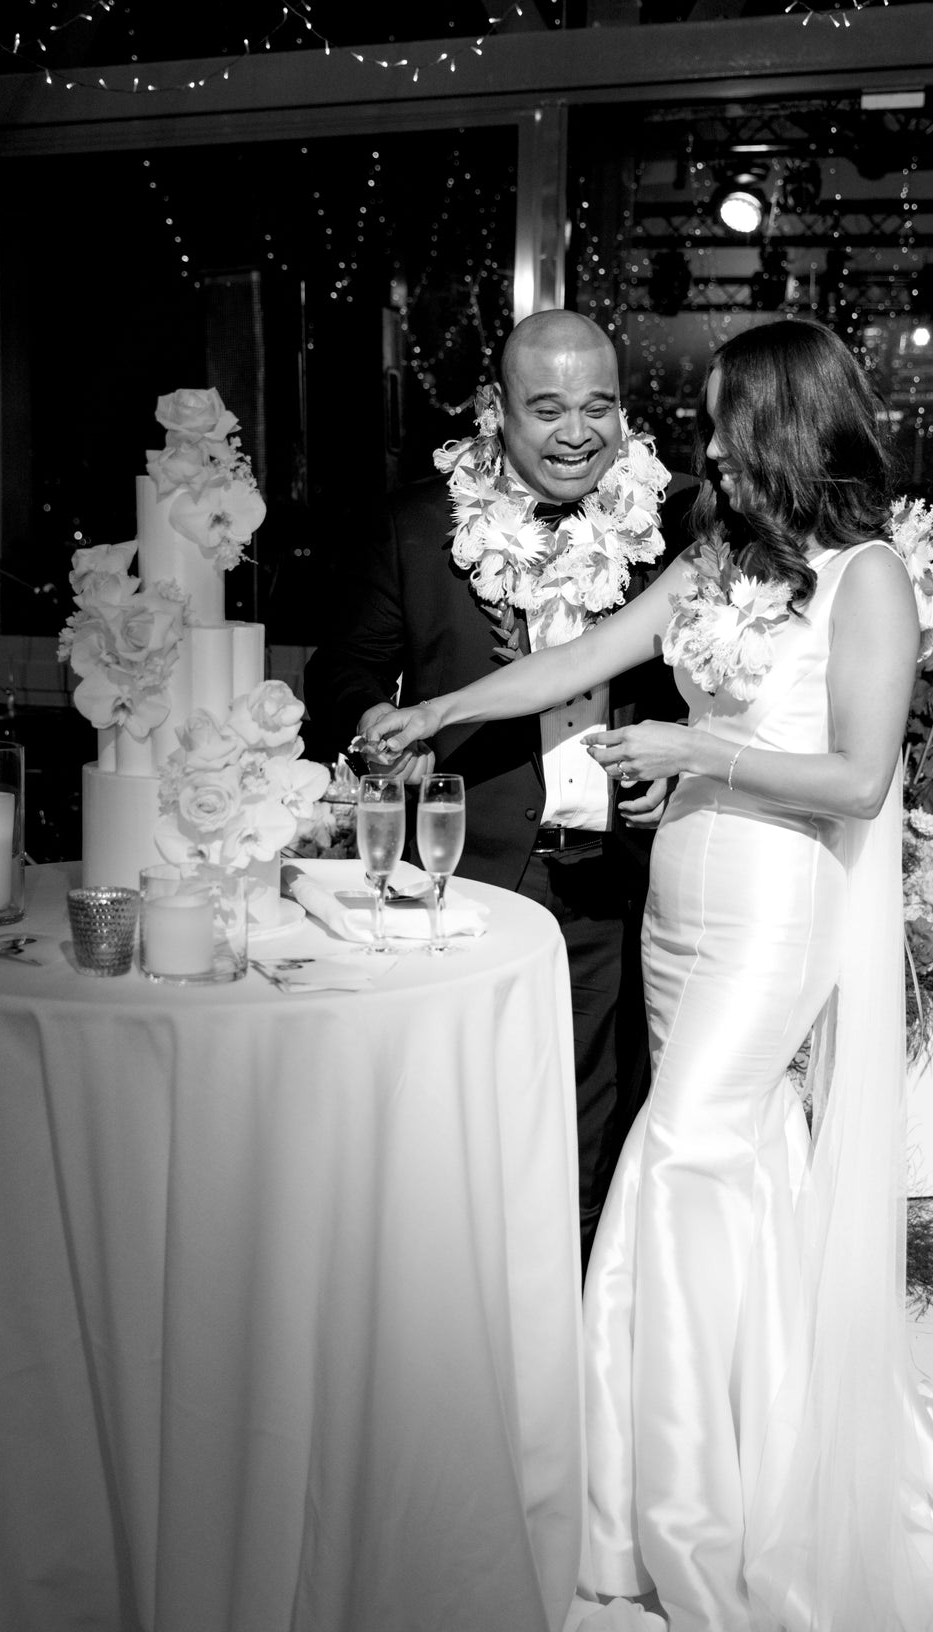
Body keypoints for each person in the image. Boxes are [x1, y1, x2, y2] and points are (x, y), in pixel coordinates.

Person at [366, 319, 933, 1632]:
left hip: (777, 908)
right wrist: (438, 713)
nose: (708, 444)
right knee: (727, 1173)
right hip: (686, 897)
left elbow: (858, 778)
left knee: (675, 1154)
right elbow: (583, 655)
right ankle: (742, 1446)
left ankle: (662, 1507)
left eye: (731, 420)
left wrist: (700, 747)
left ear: (790, 426)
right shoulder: (724, 555)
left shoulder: (868, 579)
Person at [304, 310, 691, 1272]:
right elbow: (342, 676)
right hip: (461, 877)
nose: (576, 432)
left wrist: (683, 760)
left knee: (592, 1125)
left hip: (614, 877)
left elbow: (725, 681)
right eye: (548, 407)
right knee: (452, 1120)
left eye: (599, 407)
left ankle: (571, 1337)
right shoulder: (416, 526)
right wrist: (373, 733)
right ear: (495, 409)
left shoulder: (676, 520)